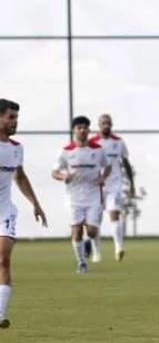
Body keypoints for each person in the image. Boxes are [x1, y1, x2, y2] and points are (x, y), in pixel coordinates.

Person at [0, 99, 49, 328]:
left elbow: (20, 177)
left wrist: (35, 204)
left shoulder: (16, 148)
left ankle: (0, 313)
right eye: (10, 117)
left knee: (3, 259)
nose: (15, 122)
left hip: (5, 211)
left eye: (16, 118)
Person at [52, 115, 111, 274]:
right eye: (79, 127)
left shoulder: (98, 150)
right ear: (73, 130)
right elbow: (54, 173)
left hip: (93, 195)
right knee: (76, 231)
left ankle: (94, 247)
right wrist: (64, 177)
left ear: (89, 130)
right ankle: (81, 263)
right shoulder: (66, 151)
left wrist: (103, 178)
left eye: (85, 127)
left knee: (91, 230)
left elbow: (108, 166)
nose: (82, 130)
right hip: (74, 197)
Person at [90, 113, 135, 263]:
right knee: (95, 220)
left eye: (108, 123)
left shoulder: (119, 142)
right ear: (99, 125)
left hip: (114, 185)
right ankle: (96, 253)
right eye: (103, 123)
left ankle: (119, 248)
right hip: (97, 187)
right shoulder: (92, 142)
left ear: (112, 125)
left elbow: (126, 163)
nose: (106, 126)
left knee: (114, 216)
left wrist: (132, 184)